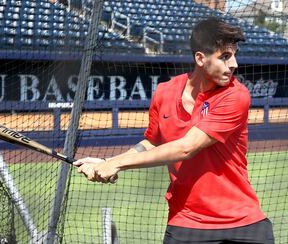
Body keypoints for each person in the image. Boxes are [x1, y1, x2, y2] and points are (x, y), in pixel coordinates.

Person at [73, 17, 274, 243]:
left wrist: (116, 164)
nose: (234, 63)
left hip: (243, 223)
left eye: (234, 55)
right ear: (200, 58)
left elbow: (186, 148)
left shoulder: (236, 95)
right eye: (225, 57)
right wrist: (106, 161)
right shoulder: (165, 92)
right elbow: (152, 142)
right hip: (186, 223)